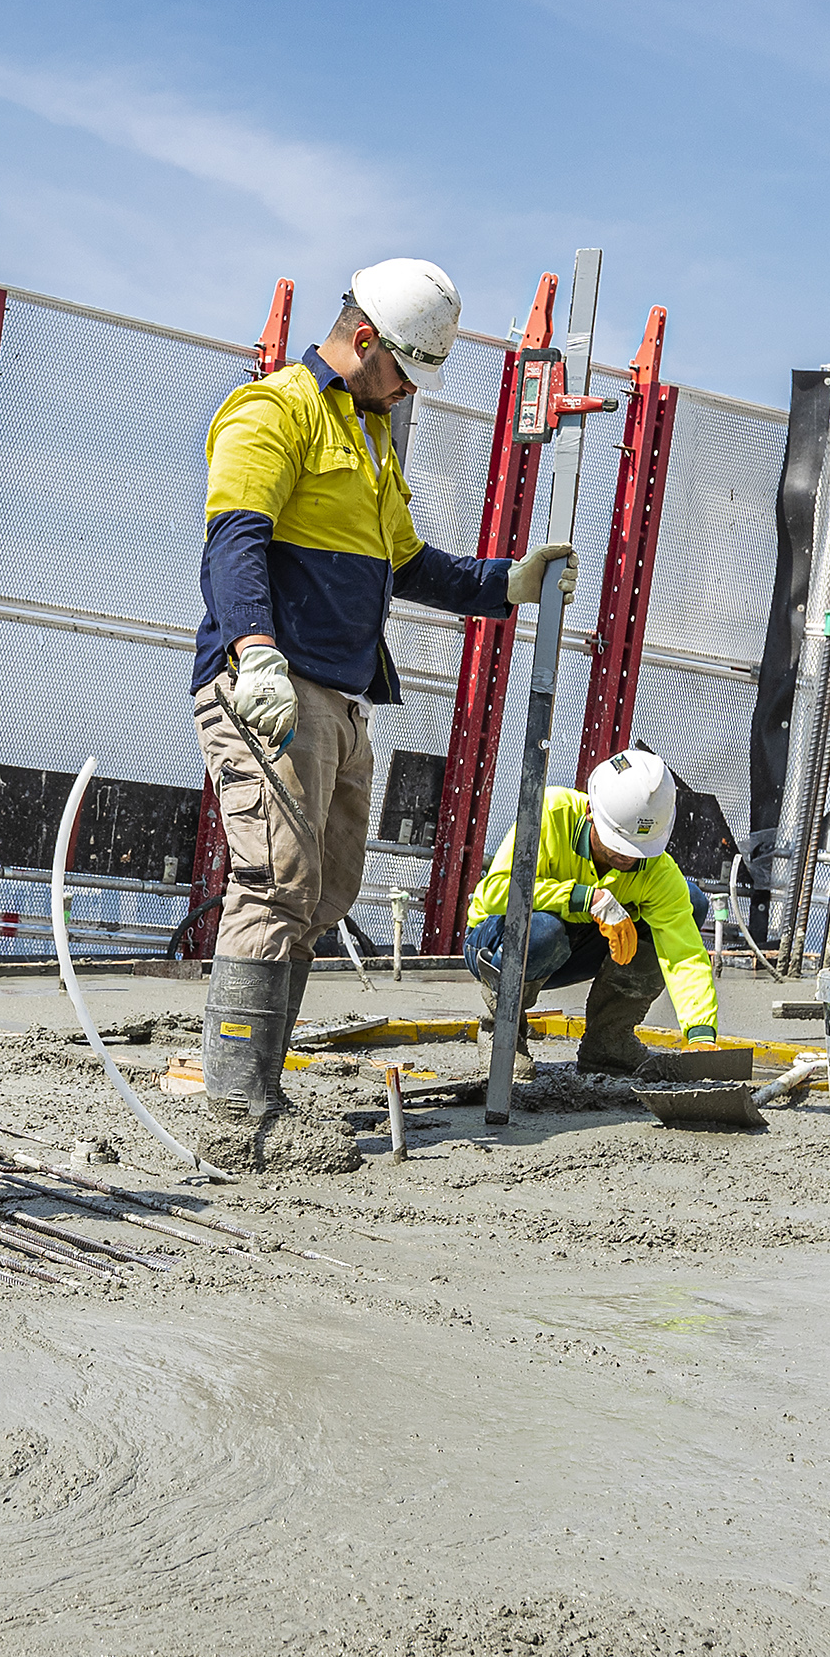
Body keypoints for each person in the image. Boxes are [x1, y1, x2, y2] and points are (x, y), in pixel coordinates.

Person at [192, 260, 564, 1117]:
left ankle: (260, 1090)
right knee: (276, 883)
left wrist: (504, 582)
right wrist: (255, 654)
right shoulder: (271, 410)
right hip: (274, 690)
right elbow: (235, 540)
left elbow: (405, 563)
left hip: (339, 700)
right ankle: (239, 1109)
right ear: (363, 340)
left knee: (322, 893)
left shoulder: (367, 436)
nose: (404, 396)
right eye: (401, 374)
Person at [465, 749, 721, 1076]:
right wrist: (585, 898)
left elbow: (683, 954)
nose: (628, 859)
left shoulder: (656, 869)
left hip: (572, 951)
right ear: (590, 812)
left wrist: (700, 1034)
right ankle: (502, 1032)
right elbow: (495, 893)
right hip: (497, 946)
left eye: (637, 850)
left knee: (693, 901)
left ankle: (608, 1041)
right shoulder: (551, 812)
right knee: (544, 930)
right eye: (619, 845)